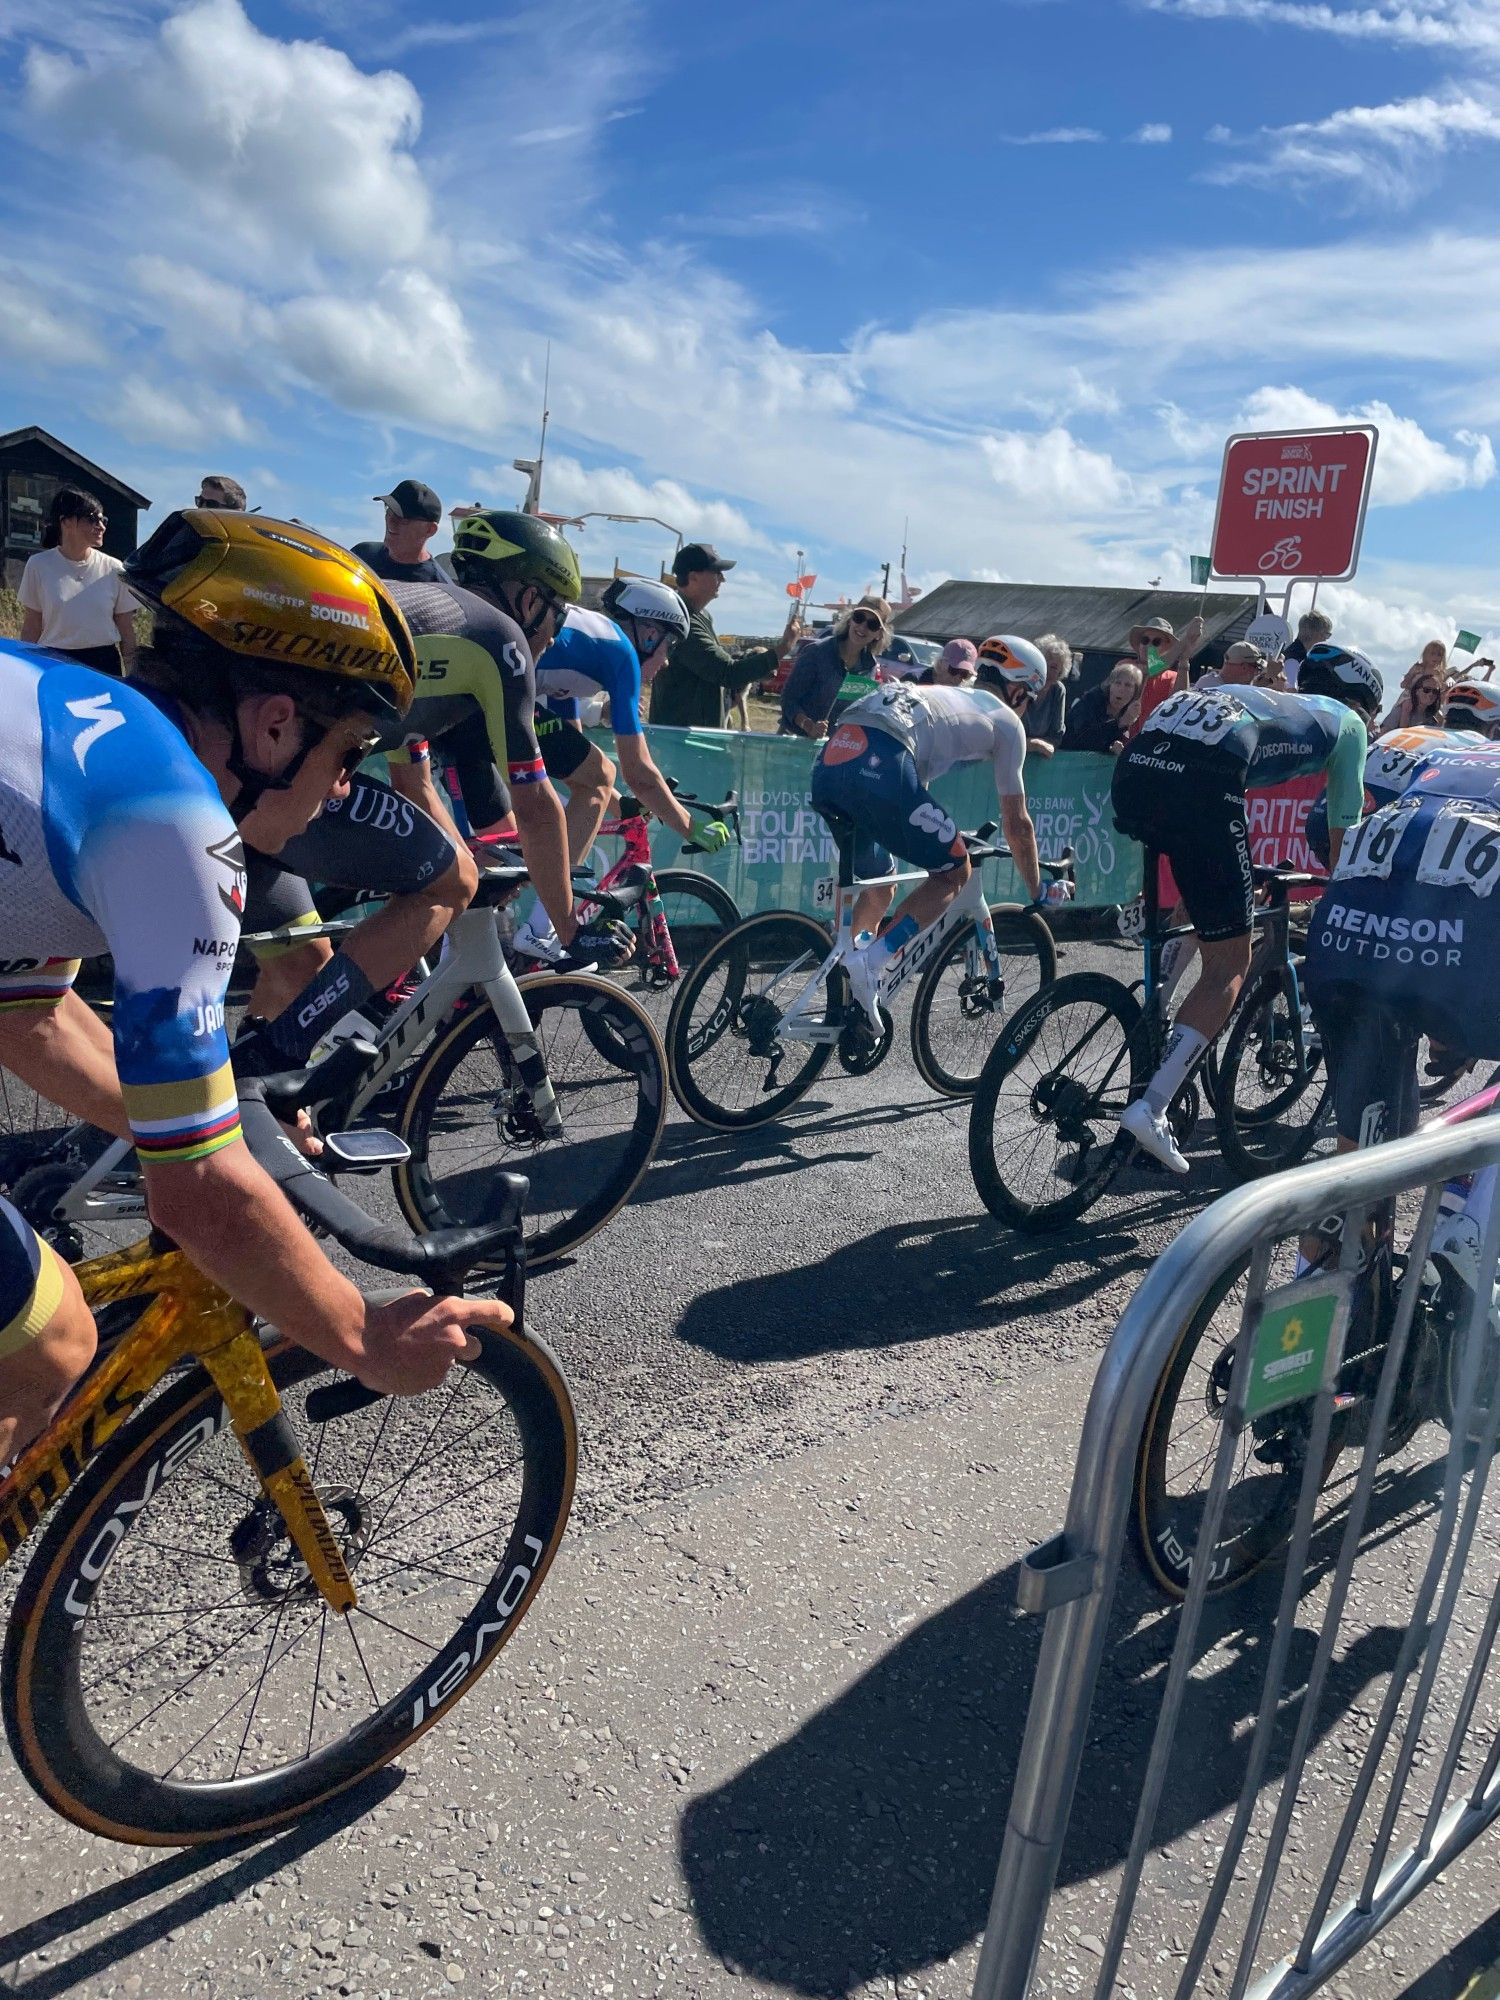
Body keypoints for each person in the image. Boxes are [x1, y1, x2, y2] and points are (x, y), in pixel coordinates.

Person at [0, 511, 511, 1465]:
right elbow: (193, 1196)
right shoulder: (175, 828)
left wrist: (214, 1118)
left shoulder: (62, 712)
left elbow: (29, 1018)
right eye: (349, 752)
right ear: (276, 724)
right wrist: (364, 1337)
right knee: (49, 1340)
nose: (337, 791)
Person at [1110, 641, 1381, 1173]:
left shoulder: (1266, 698)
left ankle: (1156, 1010)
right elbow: (1341, 828)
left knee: (1205, 898)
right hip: (1201, 782)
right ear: (1363, 705)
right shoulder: (1347, 725)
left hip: (1137, 771)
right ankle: (1153, 1107)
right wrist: (1348, 895)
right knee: (1229, 966)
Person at [382, 510, 629, 969]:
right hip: (273, 776)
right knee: (465, 877)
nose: (554, 638)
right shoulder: (500, 639)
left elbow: (412, 783)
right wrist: (571, 928)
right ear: (531, 600)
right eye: (556, 615)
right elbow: (537, 807)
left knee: (466, 875)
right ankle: (540, 933)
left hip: (254, 764)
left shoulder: (431, 612)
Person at [810, 636, 1072, 1028]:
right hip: (882, 767)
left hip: (833, 758)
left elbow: (915, 794)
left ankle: (849, 979)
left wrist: (940, 832)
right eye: (1030, 699)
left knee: (882, 883)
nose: (1027, 708)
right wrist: (1036, 890)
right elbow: (1017, 824)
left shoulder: (942, 694)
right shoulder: (1006, 721)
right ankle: (872, 962)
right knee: (954, 870)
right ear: (1018, 688)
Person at [508, 577, 733, 960]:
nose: (667, 660)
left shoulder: (585, 646)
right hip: (500, 699)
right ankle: (544, 927)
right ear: (647, 632)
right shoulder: (621, 655)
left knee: (493, 859)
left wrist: (621, 805)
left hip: (492, 697)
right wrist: (689, 826)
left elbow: (571, 749)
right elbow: (639, 772)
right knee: (601, 775)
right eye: (669, 645)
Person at [1305, 728, 1500, 1167]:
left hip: (1343, 936)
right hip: (1446, 942)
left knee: (1352, 1171)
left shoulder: (1456, 750)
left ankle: (1336, 1223)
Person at [648, 543, 795, 729]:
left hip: (695, 736)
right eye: (717, 572)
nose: (723, 579)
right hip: (680, 740)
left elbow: (715, 673)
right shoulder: (681, 621)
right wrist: (783, 648)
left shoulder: (700, 615)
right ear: (693, 577)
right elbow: (727, 672)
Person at [17, 487, 139, 677]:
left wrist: (133, 676)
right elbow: (32, 626)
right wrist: (24, 671)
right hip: (53, 663)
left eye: (103, 520)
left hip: (103, 666)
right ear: (66, 522)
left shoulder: (114, 569)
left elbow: (126, 629)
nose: (101, 526)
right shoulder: (38, 565)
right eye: (92, 519)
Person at [778, 599, 890, 738]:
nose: (862, 627)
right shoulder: (816, 652)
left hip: (834, 749)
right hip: (794, 741)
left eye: (872, 624)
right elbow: (788, 699)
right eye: (859, 618)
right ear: (850, 620)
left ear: (879, 634)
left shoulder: (870, 667)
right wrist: (809, 726)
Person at [351, 480, 444, 584]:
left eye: (403, 519)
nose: (390, 521)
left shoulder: (439, 587)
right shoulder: (360, 556)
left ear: (430, 530)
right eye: (389, 511)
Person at [1126, 613, 1205, 734]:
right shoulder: (1125, 666)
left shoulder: (1172, 676)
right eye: (1145, 640)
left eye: (1156, 642)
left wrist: (1184, 658)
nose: (1148, 646)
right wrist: (1186, 639)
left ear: (1167, 647)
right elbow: (1150, 671)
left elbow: (1180, 702)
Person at [1062, 661, 1142, 755]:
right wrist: (1120, 723)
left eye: (1128, 685)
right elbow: (1084, 740)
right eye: (1117, 683)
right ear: (1110, 685)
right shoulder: (1090, 702)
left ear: (1135, 692)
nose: (1121, 689)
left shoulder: (1131, 712)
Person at [1378, 641, 1448, 733]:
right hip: (1410, 695)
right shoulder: (1418, 667)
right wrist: (1411, 676)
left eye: (1439, 655)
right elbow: (1403, 684)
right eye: (1432, 654)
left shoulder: (1440, 674)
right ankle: (1403, 731)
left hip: (1427, 700)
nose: (1435, 657)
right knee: (1408, 705)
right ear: (1426, 654)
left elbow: (1439, 691)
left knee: (1440, 716)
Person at [1024, 635, 1071, 757]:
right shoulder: (1020, 684)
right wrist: (1035, 744)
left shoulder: (1058, 690)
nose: (1046, 670)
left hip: (1039, 761)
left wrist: (1042, 746)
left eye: (1054, 668)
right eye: (1043, 663)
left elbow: (1056, 736)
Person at [1282, 609, 1334, 688]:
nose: (1326, 639)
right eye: (1326, 634)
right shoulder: (1295, 658)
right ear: (1311, 632)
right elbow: (1290, 690)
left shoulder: (1294, 653)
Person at [1194, 641, 1264, 692]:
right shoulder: (1213, 688)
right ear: (1244, 667)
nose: (1257, 673)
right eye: (1257, 667)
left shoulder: (1207, 682)